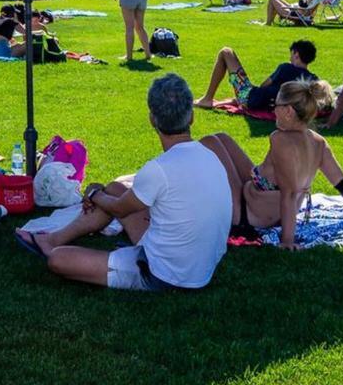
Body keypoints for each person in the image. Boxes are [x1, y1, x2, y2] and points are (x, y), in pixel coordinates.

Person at [14, 74, 231, 290]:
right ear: (191, 117)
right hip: (200, 268)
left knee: (58, 259)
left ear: (152, 119)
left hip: (163, 274)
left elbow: (119, 208)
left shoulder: (158, 169)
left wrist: (93, 194)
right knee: (117, 188)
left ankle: (53, 244)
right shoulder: (210, 156)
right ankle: (53, 239)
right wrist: (102, 194)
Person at [206, 81, 343, 249]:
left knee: (210, 141)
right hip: (263, 206)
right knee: (222, 137)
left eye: (275, 105)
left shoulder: (280, 140)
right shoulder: (318, 142)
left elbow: (290, 193)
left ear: (288, 111)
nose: (273, 110)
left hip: (248, 214)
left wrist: (287, 241)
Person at [194, 40, 319, 111]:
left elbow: (264, 85)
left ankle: (207, 99)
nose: (290, 57)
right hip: (269, 105)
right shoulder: (313, 79)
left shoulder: (286, 68)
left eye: (291, 54)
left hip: (252, 100)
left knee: (226, 52)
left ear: (296, 54)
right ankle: (225, 101)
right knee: (242, 95)